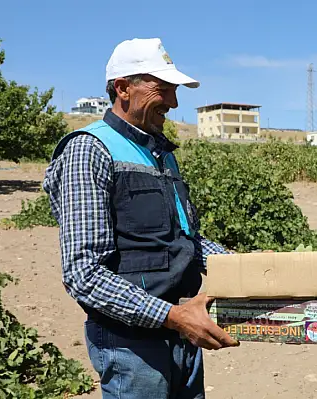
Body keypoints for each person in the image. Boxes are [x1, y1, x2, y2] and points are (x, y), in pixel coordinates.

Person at [42, 37, 239, 399]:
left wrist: (250, 269)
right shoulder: (89, 150)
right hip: (131, 345)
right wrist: (172, 316)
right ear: (123, 88)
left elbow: (185, 243)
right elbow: (83, 273)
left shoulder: (161, 154)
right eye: (162, 89)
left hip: (183, 333)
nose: (174, 102)